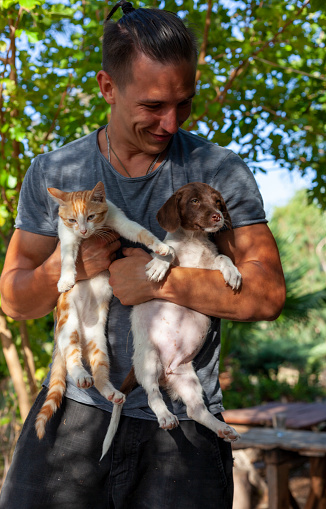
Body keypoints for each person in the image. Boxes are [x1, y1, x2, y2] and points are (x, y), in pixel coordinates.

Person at [0, 2, 286, 508]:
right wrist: (73, 265)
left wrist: (159, 281)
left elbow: (265, 295)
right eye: (154, 106)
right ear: (108, 87)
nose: (171, 123)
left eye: (185, 104)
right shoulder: (59, 171)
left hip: (182, 419)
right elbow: (15, 300)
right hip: (73, 413)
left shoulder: (219, 171)